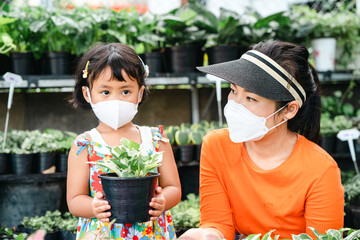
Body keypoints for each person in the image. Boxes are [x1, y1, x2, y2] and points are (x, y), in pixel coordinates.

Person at [179, 40, 344, 240]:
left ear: (289, 110)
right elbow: (218, 223)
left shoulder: (321, 170)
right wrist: (208, 236)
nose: (235, 104)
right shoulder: (217, 146)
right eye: (233, 90)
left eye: (251, 99)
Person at [67, 43, 181, 240]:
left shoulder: (156, 140)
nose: (115, 100)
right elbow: (75, 199)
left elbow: (174, 188)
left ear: (140, 93)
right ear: (88, 94)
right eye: (105, 92)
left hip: (151, 233)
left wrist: (163, 200)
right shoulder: (84, 145)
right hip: (104, 233)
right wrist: (93, 207)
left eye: (125, 91)